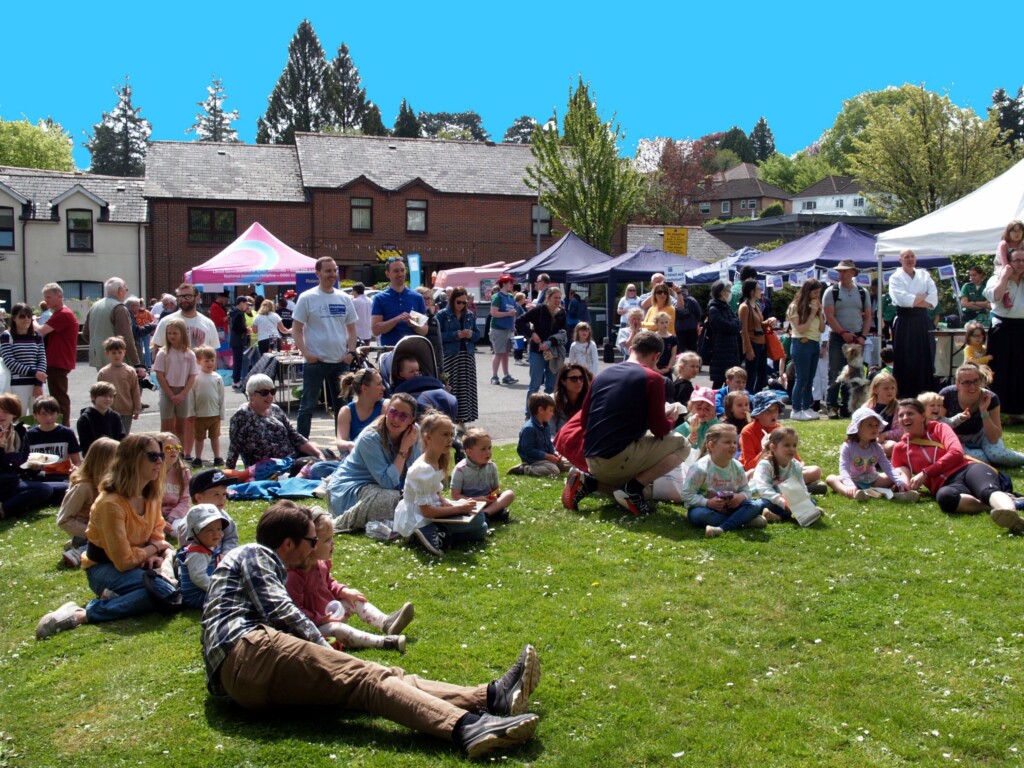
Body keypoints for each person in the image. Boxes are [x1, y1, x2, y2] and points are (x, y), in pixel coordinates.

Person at [199, 502, 540, 758]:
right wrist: (325, 648)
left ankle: (489, 697)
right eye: (311, 539)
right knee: (367, 679)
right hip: (249, 654)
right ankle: (468, 728)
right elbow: (284, 612)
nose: (316, 545)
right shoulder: (256, 554)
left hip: (246, 683)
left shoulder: (254, 565)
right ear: (288, 544)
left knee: (375, 678)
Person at [34, 434, 179, 640]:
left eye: (160, 455)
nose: (159, 461)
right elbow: (123, 562)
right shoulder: (111, 503)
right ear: (131, 459)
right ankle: (82, 615)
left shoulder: (150, 492)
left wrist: (155, 552)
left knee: (178, 577)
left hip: (139, 564)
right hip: (104, 568)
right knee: (165, 591)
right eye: (152, 456)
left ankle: (117, 595)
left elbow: (156, 530)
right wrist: (155, 549)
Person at [567, 331, 690, 516]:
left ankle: (591, 482)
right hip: (616, 459)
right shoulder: (653, 379)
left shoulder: (602, 375)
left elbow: (584, 421)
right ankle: (633, 489)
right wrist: (671, 419)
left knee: (646, 491)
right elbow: (660, 429)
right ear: (657, 356)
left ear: (631, 349)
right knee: (683, 444)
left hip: (591, 458)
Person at [287, 509, 413, 651]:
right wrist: (320, 619)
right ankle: (385, 642)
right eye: (327, 540)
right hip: (313, 628)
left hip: (329, 613)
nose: (333, 544)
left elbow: (329, 583)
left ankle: (387, 623)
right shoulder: (295, 576)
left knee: (355, 599)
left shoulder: (321, 563)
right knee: (338, 629)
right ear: (312, 545)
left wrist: (343, 591)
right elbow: (294, 611)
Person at [891, 399, 1024, 533]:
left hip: (968, 468)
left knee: (986, 490)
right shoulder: (900, 448)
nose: (905, 418)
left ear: (923, 416)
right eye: (901, 415)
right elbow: (897, 474)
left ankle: (1010, 513)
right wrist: (901, 486)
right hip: (947, 485)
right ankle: (1000, 507)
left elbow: (956, 453)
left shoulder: (939, 428)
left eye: (910, 413)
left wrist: (926, 473)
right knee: (945, 498)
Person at [327, 392, 421, 533]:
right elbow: (388, 482)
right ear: (387, 411)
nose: (396, 419)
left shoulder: (414, 432)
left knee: (419, 500)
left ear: (412, 419)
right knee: (393, 501)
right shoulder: (370, 437)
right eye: (393, 412)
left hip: (381, 489)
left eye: (403, 416)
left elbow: (415, 472)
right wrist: (403, 448)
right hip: (350, 491)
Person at [395, 411, 484, 556]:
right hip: (420, 517)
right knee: (479, 521)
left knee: (482, 526)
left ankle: (442, 535)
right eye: (444, 435)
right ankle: (426, 531)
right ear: (428, 437)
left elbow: (435, 493)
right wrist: (459, 509)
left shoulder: (437, 460)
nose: (449, 439)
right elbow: (426, 511)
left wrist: (447, 502)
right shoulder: (422, 469)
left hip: (433, 509)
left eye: (451, 434)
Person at [292, 257, 360, 438]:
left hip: (340, 362)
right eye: (328, 271)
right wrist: (307, 353)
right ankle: (302, 449)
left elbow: (352, 329)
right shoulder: (307, 298)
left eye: (334, 270)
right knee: (307, 406)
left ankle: (344, 445)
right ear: (318, 273)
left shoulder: (344, 298)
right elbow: (296, 330)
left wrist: (351, 353)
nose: (332, 275)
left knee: (343, 407)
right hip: (315, 362)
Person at [682, 423, 766, 538]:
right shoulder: (700, 468)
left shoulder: (737, 467)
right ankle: (744, 521)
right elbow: (686, 495)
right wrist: (707, 502)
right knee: (698, 515)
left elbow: (747, 491)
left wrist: (740, 497)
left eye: (734, 442)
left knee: (754, 505)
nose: (732, 446)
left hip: (732, 508)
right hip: (708, 509)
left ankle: (722, 528)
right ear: (711, 446)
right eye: (727, 442)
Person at [226, 374, 325, 470]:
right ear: (251, 395)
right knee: (313, 466)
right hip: (268, 467)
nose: (270, 396)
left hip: (291, 458)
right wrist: (227, 476)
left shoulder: (275, 409)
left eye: (272, 391)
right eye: (264, 392)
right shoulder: (241, 415)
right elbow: (234, 448)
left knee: (325, 454)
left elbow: (294, 436)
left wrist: (318, 454)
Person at [938, 363, 1024, 467]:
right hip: (956, 437)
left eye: (976, 381)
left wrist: (984, 412)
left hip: (981, 434)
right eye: (967, 383)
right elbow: (939, 426)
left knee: (997, 456)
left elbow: (994, 438)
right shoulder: (947, 395)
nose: (972, 386)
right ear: (958, 384)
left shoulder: (990, 398)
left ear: (981, 380)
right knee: (980, 460)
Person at [825, 407, 918, 502]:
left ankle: (903, 492)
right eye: (869, 425)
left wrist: (899, 481)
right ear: (858, 427)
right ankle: (852, 493)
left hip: (873, 480)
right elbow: (843, 468)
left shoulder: (876, 447)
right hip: (854, 480)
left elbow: (887, 466)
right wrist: (849, 484)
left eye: (876, 425)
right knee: (831, 478)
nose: (874, 428)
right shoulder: (848, 446)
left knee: (902, 470)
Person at [739, 391, 825, 490]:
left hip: (781, 470)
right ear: (757, 414)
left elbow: (795, 458)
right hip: (760, 470)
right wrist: (765, 450)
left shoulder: (780, 429)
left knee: (815, 471)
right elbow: (749, 466)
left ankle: (779, 486)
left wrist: (799, 464)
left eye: (775, 410)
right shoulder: (748, 431)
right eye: (768, 411)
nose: (773, 414)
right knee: (751, 475)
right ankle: (788, 487)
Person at [0, 393, 67, 519]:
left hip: (16, 479)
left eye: (5, 411)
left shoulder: (19, 432)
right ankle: (4, 509)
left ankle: (23, 502)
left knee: (66, 489)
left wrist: (33, 467)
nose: (1, 415)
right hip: (4, 482)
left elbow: (22, 463)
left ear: (14, 414)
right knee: (44, 490)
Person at [57, 437, 118, 568]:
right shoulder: (83, 487)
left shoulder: (111, 481)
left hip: (102, 525)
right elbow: (64, 519)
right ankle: (79, 550)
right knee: (110, 545)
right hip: (86, 527)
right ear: (105, 462)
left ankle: (78, 544)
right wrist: (92, 533)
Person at [823, 261, 872, 419]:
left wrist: (863, 336)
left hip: (857, 338)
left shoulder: (863, 292)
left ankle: (850, 406)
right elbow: (829, 316)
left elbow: (868, 316)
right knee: (835, 371)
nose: (842, 274)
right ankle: (832, 405)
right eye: (840, 271)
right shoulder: (832, 291)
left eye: (845, 271)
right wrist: (843, 332)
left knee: (855, 373)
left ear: (853, 273)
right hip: (838, 337)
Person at [750, 426, 825, 525]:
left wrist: (804, 498)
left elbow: (802, 486)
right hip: (765, 497)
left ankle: (777, 516)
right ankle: (795, 514)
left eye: (794, 445)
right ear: (773, 447)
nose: (792, 449)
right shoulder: (766, 464)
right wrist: (782, 501)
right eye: (787, 445)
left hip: (788, 499)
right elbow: (764, 489)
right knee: (758, 505)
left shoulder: (795, 465)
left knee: (811, 501)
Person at [889, 250, 938, 400]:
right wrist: (922, 297)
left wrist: (915, 300)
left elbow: (933, 299)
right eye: (906, 257)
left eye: (912, 256)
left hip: (923, 322)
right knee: (906, 358)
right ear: (900, 260)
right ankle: (905, 395)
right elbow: (903, 300)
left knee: (926, 357)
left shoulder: (924, 274)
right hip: (905, 322)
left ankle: (926, 395)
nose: (910, 259)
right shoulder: (895, 277)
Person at [984, 246, 1024, 421]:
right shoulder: (997, 277)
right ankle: (996, 411)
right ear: (1009, 262)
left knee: (1020, 370)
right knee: (999, 370)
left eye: (1023, 260)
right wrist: (1005, 277)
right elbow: (995, 297)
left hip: (1022, 326)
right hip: (1002, 326)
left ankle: (1017, 411)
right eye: (1017, 260)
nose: (1021, 264)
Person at [516, 286, 567, 413]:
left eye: (560, 298)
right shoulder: (538, 310)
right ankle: (529, 413)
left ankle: (548, 414)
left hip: (553, 353)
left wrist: (550, 342)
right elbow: (519, 321)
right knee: (535, 385)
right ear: (547, 298)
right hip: (536, 352)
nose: (558, 300)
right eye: (555, 297)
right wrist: (531, 334)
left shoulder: (561, 313)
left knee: (551, 386)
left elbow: (564, 334)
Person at [36, 283, 79, 428]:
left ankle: (64, 427)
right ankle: (62, 426)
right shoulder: (59, 314)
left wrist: (32, 321)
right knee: (58, 395)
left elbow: (40, 332)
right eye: (45, 297)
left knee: (60, 397)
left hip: (58, 361)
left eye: (48, 297)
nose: (46, 300)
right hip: (57, 360)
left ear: (59, 296)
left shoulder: (63, 314)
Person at [81, 277, 145, 374]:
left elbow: (85, 334)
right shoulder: (119, 308)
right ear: (120, 290)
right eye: (126, 289)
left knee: (105, 387)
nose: (126, 292)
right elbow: (126, 338)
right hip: (117, 358)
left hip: (98, 356)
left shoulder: (95, 306)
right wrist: (137, 363)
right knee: (120, 388)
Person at [154, 317, 199, 455]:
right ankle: (165, 454)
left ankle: (179, 454)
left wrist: (182, 394)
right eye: (169, 333)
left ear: (182, 334)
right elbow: (160, 375)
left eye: (175, 333)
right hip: (167, 392)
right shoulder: (163, 353)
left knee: (181, 427)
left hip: (183, 393)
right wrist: (171, 394)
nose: (171, 336)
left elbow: (192, 376)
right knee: (166, 427)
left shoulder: (189, 354)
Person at [451, 428, 516, 523]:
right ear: (469, 452)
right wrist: (476, 500)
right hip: (470, 504)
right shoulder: (460, 469)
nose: (488, 452)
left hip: (488, 503)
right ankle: (491, 514)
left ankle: (485, 514)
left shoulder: (491, 466)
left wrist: (492, 497)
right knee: (460, 506)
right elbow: (455, 496)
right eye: (483, 449)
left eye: (489, 448)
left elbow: (496, 489)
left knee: (509, 494)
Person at [437, 287, 480, 427]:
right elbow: (438, 337)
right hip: (450, 356)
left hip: (466, 356)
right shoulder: (443, 314)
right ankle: (449, 419)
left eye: (464, 302)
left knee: (465, 389)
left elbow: (478, 335)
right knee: (451, 387)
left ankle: (462, 421)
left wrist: (470, 334)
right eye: (459, 302)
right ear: (452, 300)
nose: (461, 305)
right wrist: (456, 335)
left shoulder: (469, 315)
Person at [175, 503, 231, 609]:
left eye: (219, 529)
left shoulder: (207, 547)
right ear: (195, 533)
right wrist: (218, 589)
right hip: (197, 595)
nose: (216, 534)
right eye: (210, 530)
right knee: (230, 597)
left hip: (205, 589)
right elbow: (199, 578)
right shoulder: (197, 554)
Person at [787, 279, 826, 421]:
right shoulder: (795, 306)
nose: (817, 295)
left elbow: (822, 329)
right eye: (814, 292)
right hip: (801, 343)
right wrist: (811, 313)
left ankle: (806, 407)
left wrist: (819, 313)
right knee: (801, 378)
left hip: (814, 343)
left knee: (810, 379)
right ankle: (796, 409)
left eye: (819, 292)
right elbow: (801, 329)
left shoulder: (815, 306)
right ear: (807, 291)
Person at [510, 393, 571, 478]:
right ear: (541, 410)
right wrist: (546, 456)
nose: (552, 414)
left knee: (570, 464)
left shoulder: (546, 426)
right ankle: (524, 469)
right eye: (550, 410)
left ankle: (547, 466)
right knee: (554, 470)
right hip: (534, 460)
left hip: (546, 459)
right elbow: (528, 450)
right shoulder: (529, 428)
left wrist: (553, 453)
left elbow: (549, 443)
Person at [371, 257, 428, 346]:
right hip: (390, 351)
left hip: (413, 350)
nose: (400, 274)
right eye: (396, 271)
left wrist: (414, 325)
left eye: (402, 270)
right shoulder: (380, 298)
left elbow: (424, 329)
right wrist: (396, 320)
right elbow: (375, 330)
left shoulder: (417, 297)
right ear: (388, 274)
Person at [1, 302, 47, 408]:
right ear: (13, 318)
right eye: (22, 316)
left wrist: (38, 383)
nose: (26, 319)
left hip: (37, 384)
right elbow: (9, 361)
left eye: (29, 316)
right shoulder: (6, 336)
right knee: (19, 419)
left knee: (37, 418)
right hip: (16, 384)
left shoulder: (37, 336)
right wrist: (35, 373)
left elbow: (42, 359)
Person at [151, 283, 220, 354]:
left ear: (197, 298)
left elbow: (213, 354)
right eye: (180, 296)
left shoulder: (209, 324)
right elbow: (157, 349)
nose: (183, 300)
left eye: (188, 296)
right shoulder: (166, 322)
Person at [26, 396, 81, 480]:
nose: (49, 418)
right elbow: (24, 461)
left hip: (62, 475)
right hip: (38, 477)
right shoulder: (29, 435)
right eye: (43, 414)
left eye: (52, 413)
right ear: (35, 415)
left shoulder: (67, 433)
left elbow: (77, 461)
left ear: (58, 414)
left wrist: (76, 469)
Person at [335, 369, 387, 456]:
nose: (383, 388)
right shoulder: (346, 411)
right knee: (318, 467)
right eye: (379, 384)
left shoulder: (385, 406)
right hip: (355, 457)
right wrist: (349, 445)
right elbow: (340, 442)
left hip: (378, 456)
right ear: (364, 388)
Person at [97, 336, 141, 436]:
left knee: (124, 437)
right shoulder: (103, 372)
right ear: (107, 353)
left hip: (126, 410)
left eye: (119, 352)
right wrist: (99, 409)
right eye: (113, 353)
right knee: (110, 436)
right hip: (108, 411)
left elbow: (135, 391)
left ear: (124, 352)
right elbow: (98, 393)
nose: (117, 355)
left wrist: (137, 409)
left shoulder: (130, 371)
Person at [191, 346, 225, 468]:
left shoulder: (218, 378)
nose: (210, 363)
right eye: (206, 361)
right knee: (199, 438)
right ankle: (198, 458)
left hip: (214, 414)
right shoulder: (195, 377)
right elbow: (192, 396)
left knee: (215, 437)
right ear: (198, 362)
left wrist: (222, 413)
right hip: (200, 415)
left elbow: (221, 397)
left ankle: (217, 457)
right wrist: (192, 412)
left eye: (212, 360)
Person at [705, 280, 742, 389]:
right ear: (722, 292)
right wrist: (735, 324)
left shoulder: (727, 307)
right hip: (720, 350)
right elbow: (726, 326)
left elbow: (738, 323)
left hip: (732, 350)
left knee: (730, 382)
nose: (730, 293)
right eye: (728, 290)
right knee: (719, 382)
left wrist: (735, 324)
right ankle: (713, 403)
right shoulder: (714, 309)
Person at [738, 279, 769, 395]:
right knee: (751, 375)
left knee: (762, 374)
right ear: (752, 291)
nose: (761, 291)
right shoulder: (744, 307)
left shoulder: (756, 305)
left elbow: (760, 323)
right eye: (759, 289)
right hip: (753, 344)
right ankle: (749, 400)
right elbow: (743, 330)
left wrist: (768, 322)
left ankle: (757, 398)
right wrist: (748, 349)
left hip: (761, 343)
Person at [76, 382, 126, 456]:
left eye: (111, 396)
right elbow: (85, 444)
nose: (108, 399)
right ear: (93, 397)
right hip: (94, 458)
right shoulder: (85, 419)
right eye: (104, 396)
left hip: (114, 456)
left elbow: (121, 438)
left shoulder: (115, 416)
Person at [157, 433, 192, 540]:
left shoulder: (184, 472)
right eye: (168, 448)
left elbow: (185, 500)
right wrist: (159, 520)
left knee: (184, 531)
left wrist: (171, 518)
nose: (174, 451)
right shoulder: (153, 471)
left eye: (177, 447)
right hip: (154, 516)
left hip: (175, 516)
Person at [488, 274, 519, 386]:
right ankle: (494, 376)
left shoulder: (511, 297)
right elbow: (493, 313)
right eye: (510, 282)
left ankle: (506, 376)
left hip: (508, 329)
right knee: (498, 353)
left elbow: (514, 312)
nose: (511, 284)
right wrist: (508, 314)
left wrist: (513, 324)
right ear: (504, 284)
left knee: (506, 353)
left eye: (511, 282)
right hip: (498, 329)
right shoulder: (497, 297)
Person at [867, 372, 902, 456]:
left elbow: (901, 431)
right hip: (868, 440)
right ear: (875, 389)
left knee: (892, 446)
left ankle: (870, 456)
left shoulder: (899, 408)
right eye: (886, 388)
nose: (890, 391)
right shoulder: (867, 407)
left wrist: (884, 435)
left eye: (892, 388)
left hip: (886, 441)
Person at [551, 363, 591, 436]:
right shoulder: (552, 401)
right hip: (559, 443)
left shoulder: (590, 400)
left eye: (581, 378)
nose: (579, 382)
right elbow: (550, 434)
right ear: (563, 381)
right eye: (574, 379)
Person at [228, 295, 251, 390]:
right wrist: (246, 329)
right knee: (238, 362)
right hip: (238, 341)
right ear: (241, 303)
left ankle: (236, 380)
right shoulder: (239, 314)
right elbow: (237, 328)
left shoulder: (234, 312)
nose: (247, 306)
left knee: (237, 361)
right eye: (246, 303)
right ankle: (236, 381)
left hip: (235, 340)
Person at [672, 284, 702, 353]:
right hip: (692, 328)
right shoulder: (692, 300)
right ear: (687, 291)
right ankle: (694, 363)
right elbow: (698, 313)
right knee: (693, 349)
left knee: (682, 351)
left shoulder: (675, 301)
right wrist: (696, 323)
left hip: (679, 329)